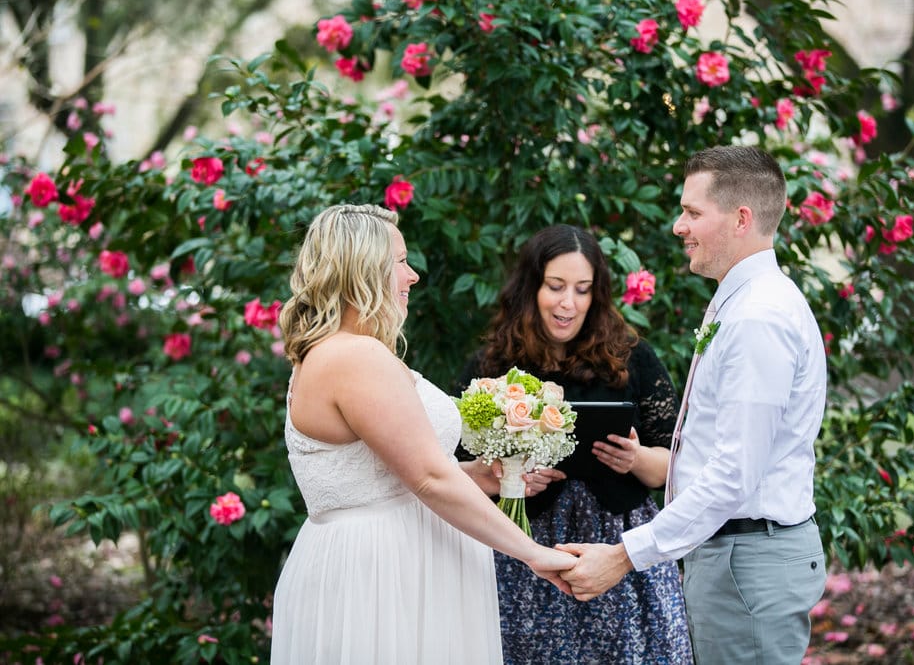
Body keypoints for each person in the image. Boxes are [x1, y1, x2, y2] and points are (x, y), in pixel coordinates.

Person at [270, 204, 576, 664]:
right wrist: (532, 553)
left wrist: (480, 476)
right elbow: (429, 479)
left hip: (395, 562)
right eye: (399, 262)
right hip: (381, 580)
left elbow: (383, 477)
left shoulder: (341, 353)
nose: (411, 276)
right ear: (362, 270)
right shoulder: (354, 358)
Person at [558, 145, 828, 665]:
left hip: (747, 561)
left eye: (693, 212)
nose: (679, 226)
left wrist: (623, 556)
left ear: (741, 219)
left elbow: (734, 473)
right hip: (733, 556)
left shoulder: (758, 318)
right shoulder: (744, 300)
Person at [456, 224, 693, 665]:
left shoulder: (632, 357)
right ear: (531, 288)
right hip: (524, 551)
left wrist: (636, 458)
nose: (569, 303)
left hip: (618, 551)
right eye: (556, 287)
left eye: (583, 290)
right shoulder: (491, 366)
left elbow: (670, 469)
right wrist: (507, 475)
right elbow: (458, 473)